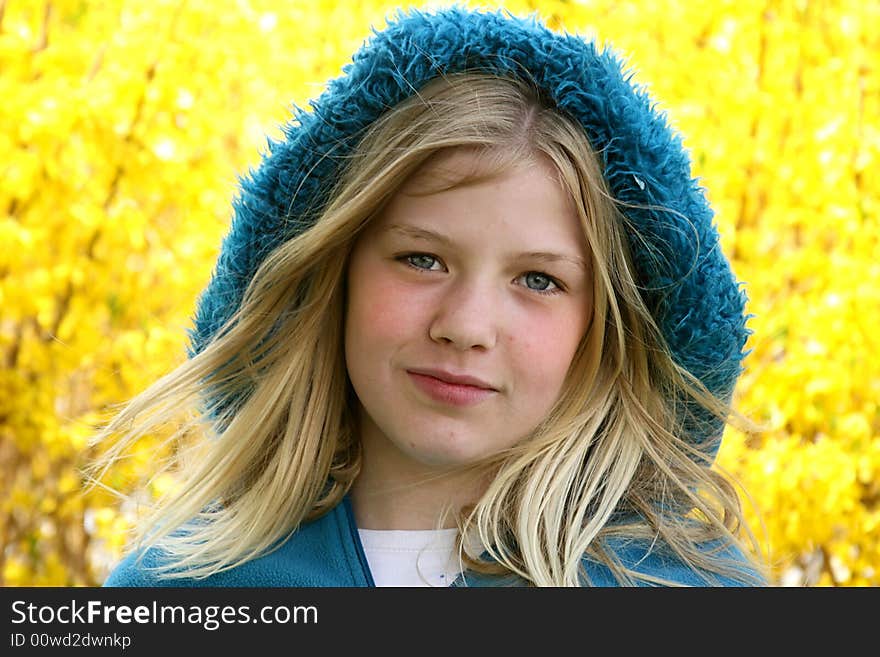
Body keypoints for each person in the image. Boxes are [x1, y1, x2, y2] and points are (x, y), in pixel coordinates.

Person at [91, 6, 768, 587]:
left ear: (605, 327)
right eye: (422, 258)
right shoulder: (180, 587)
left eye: (538, 280)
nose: (466, 325)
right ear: (335, 272)